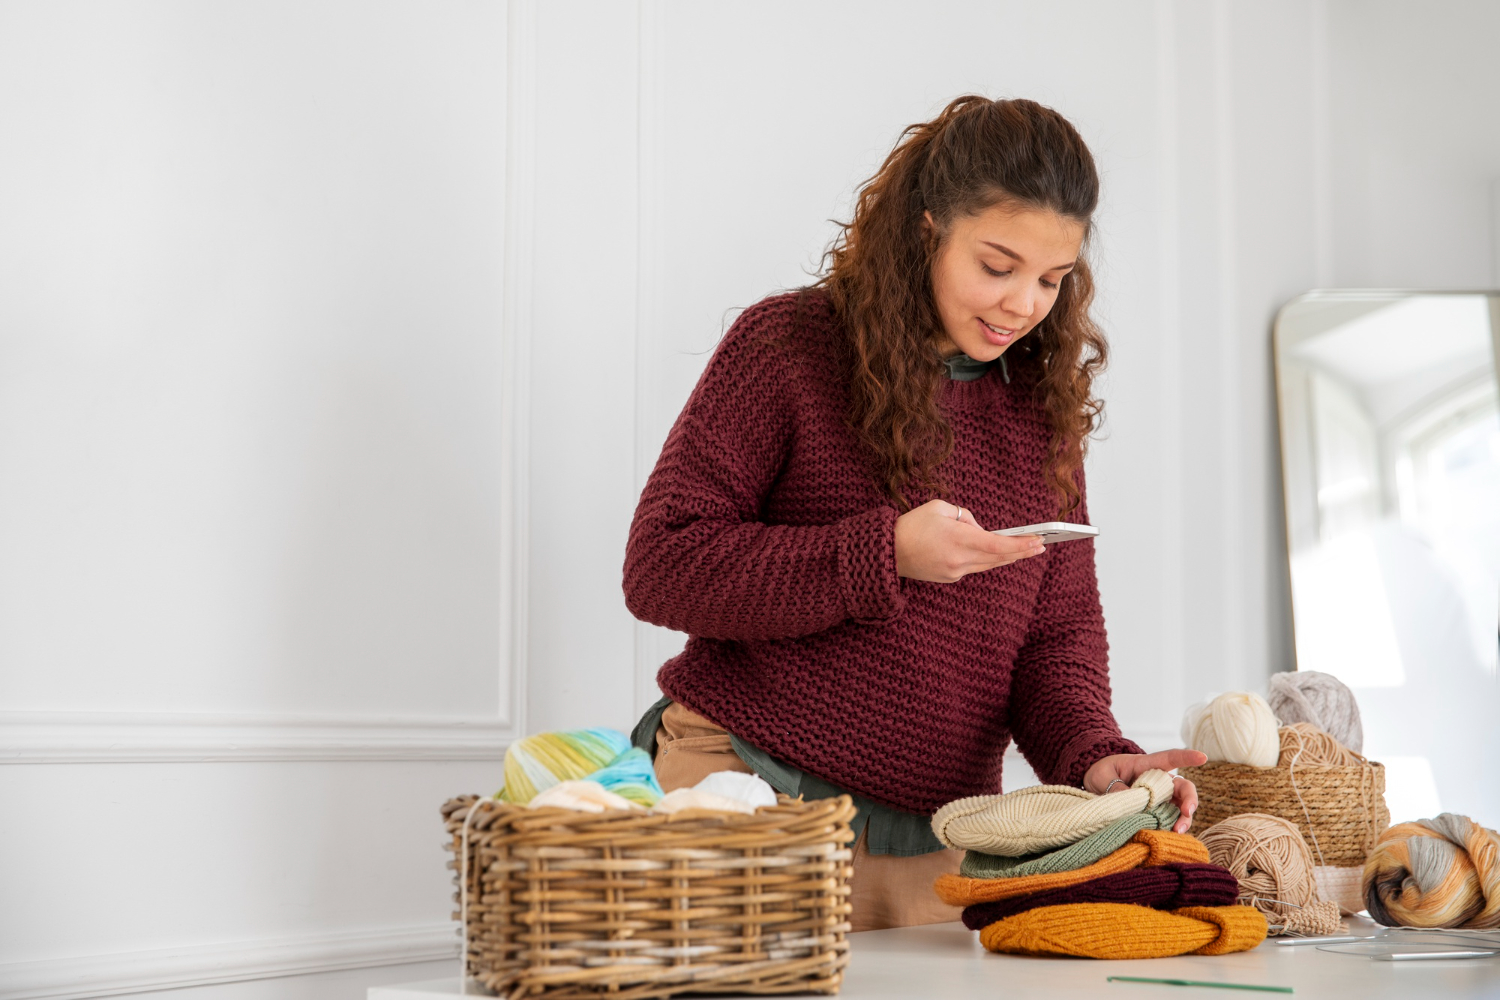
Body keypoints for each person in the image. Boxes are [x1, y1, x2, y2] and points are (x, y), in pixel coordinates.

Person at [622, 95, 1206, 932]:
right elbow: (662, 567)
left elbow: (1056, 639)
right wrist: (884, 553)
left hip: (938, 847)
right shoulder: (787, 347)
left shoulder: (1041, 413)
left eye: (1051, 278)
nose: (1022, 304)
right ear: (927, 228)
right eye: (997, 266)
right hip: (745, 795)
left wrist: (1097, 757)